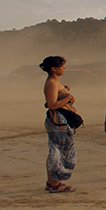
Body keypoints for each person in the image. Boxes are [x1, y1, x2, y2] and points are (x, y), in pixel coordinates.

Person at [40, 55, 77, 193]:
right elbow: (52, 105)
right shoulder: (51, 83)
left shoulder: (55, 82)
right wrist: (68, 97)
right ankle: (55, 183)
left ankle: (52, 182)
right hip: (57, 121)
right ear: (54, 69)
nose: (64, 68)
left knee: (56, 150)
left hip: (60, 120)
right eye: (62, 66)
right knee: (57, 151)